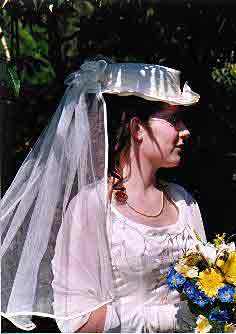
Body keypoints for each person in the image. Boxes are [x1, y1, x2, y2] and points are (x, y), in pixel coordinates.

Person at [0, 59, 206, 332]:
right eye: (172, 120)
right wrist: (170, 320)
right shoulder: (92, 207)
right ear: (137, 129)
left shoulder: (183, 201)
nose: (185, 131)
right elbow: (80, 323)